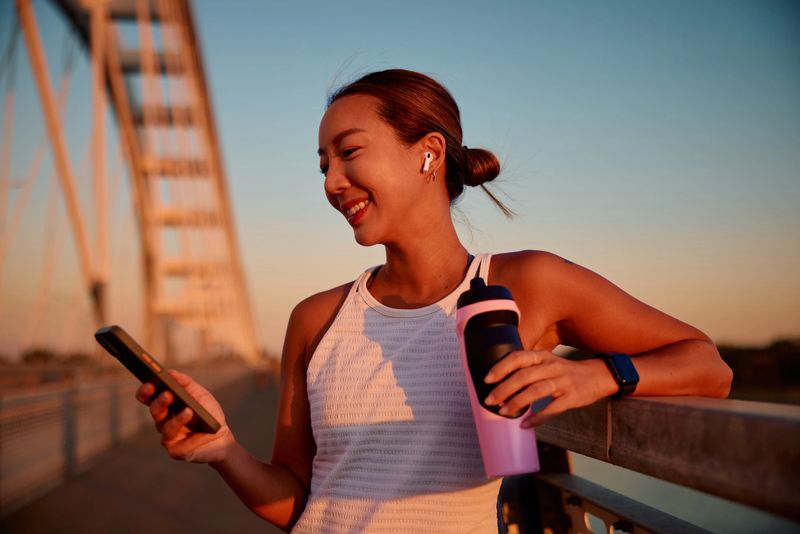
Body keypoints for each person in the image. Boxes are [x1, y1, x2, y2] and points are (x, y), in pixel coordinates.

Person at [136, 69, 733, 533]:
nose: (330, 183)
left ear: (427, 153)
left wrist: (596, 377)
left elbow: (709, 366)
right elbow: (299, 504)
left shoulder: (530, 283)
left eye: (348, 153)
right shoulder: (316, 318)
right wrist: (223, 452)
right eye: (322, 165)